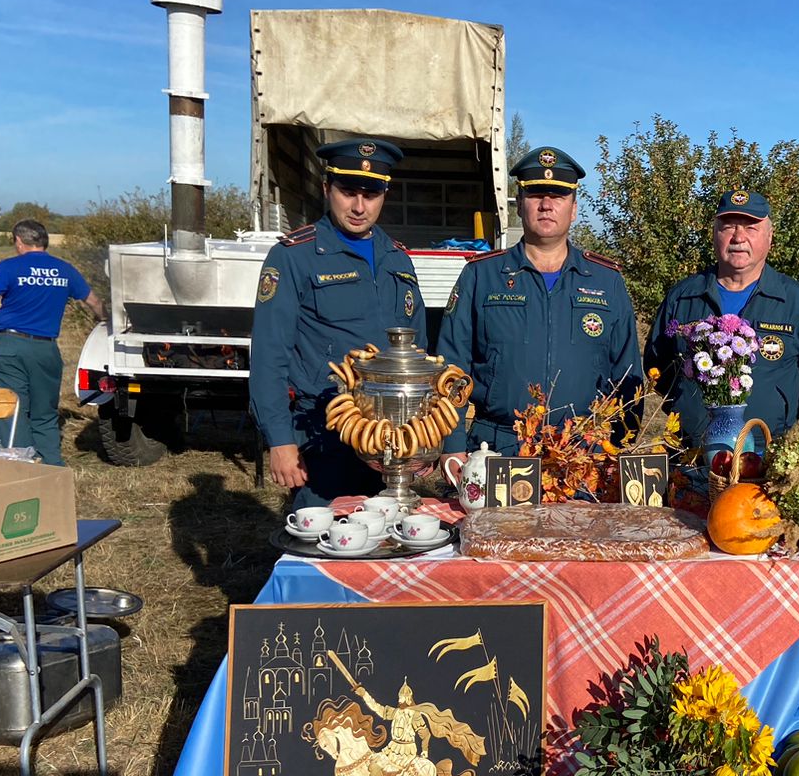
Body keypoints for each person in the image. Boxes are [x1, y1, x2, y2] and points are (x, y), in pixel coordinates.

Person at [250, 138, 426, 510]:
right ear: (327, 188)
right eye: (348, 192)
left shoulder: (398, 259)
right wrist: (280, 440)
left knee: (391, 546)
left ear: (384, 195)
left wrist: (422, 437)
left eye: (372, 194)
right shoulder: (294, 256)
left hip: (389, 439)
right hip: (323, 435)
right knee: (323, 550)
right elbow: (269, 356)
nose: (359, 207)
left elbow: (418, 356)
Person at [438, 147, 639, 464]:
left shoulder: (606, 281)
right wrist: (451, 444)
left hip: (583, 454)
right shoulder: (481, 275)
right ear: (520, 204)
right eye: (535, 194)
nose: (546, 205)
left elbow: (627, 375)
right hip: (499, 448)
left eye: (558, 195)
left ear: (573, 208)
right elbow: (452, 366)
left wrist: (621, 448)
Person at [644, 190, 799, 448]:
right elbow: (658, 368)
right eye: (728, 226)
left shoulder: (797, 302)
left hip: (769, 464)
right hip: (693, 461)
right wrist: (689, 408)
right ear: (714, 234)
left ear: (770, 236)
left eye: (751, 227)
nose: (739, 237)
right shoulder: (683, 297)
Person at [0, 219, 106, 465]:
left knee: (11, 410)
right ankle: (52, 466)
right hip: (46, 349)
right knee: (44, 412)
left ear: (19, 241)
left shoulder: (8, 268)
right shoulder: (65, 269)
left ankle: (20, 466)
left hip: (9, 346)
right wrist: (107, 324)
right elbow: (95, 303)